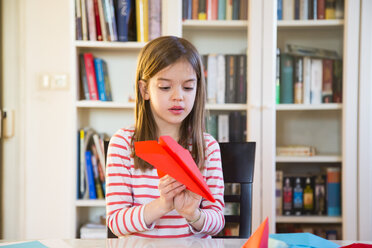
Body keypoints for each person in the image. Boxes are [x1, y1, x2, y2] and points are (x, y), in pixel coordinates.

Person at [106, 36, 225, 238]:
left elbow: (217, 221)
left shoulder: (207, 146)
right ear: (145, 90)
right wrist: (162, 205)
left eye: (188, 87)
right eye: (165, 87)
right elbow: (116, 223)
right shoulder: (124, 143)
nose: (178, 96)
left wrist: (193, 214)